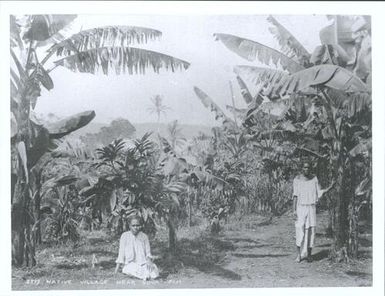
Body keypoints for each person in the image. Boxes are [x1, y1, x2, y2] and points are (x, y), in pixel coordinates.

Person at [292, 161, 334, 263]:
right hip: (300, 207)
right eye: (304, 167)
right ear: (302, 168)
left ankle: (309, 255)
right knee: (299, 230)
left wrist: (330, 187)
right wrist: (294, 210)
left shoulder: (314, 179)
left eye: (308, 167)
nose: (306, 169)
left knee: (311, 231)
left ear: (310, 169)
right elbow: (295, 195)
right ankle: (299, 255)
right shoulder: (297, 180)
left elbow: (319, 192)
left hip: (311, 207)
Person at [114, 216, 159, 280]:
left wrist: (149, 261)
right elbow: (121, 254)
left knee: (154, 270)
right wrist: (116, 270)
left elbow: (148, 253)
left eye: (137, 225)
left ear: (140, 226)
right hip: (130, 264)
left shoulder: (144, 236)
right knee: (131, 269)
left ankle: (144, 275)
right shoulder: (124, 236)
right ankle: (145, 275)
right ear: (129, 226)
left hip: (143, 263)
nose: (135, 227)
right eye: (133, 225)